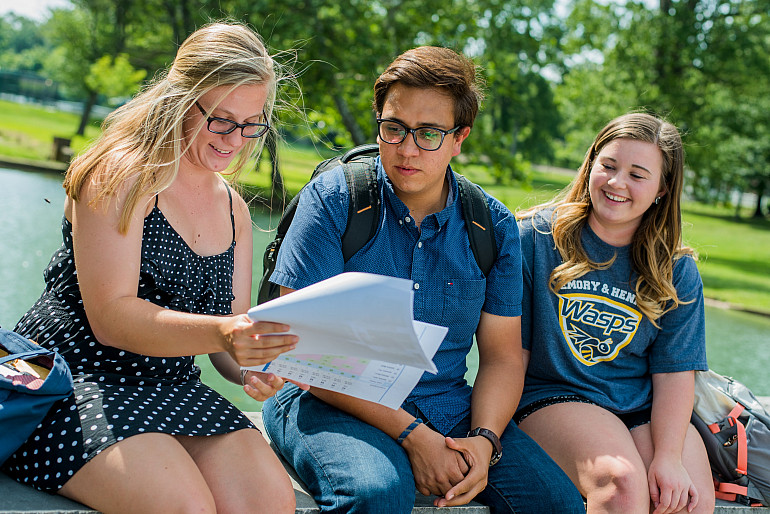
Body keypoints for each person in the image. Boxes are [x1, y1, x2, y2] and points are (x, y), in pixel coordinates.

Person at [261, 46, 585, 513]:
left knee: (558, 506)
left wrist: (483, 440)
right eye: (393, 128)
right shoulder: (333, 201)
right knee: (379, 492)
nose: (407, 149)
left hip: (447, 403)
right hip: (324, 396)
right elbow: (304, 350)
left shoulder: (491, 228)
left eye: (429, 134)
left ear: (459, 139)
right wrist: (413, 437)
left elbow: (501, 358)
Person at [1, 22, 300, 513]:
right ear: (182, 99)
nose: (235, 140)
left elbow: (228, 337)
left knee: (270, 502)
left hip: (173, 386)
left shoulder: (234, 210)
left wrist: (254, 366)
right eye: (221, 119)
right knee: (185, 508)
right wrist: (227, 334)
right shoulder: (121, 175)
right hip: (70, 382)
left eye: (252, 125)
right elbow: (112, 317)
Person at [514, 112, 715, 513]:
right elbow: (508, 354)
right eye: (608, 166)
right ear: (590, 165)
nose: (617, 182)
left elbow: (675, 374)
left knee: (686, 499)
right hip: (555, 397)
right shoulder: (534, 239)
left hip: (639, 407)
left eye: (638, 175)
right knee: (621, 484)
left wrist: (668, 458)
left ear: (662, 188)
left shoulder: (676, 268)